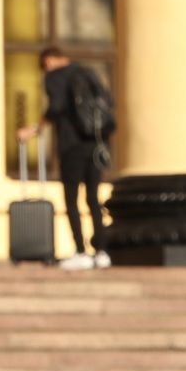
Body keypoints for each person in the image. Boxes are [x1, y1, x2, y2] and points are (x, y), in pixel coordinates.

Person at [21, 43, 113, 267]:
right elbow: (108, 102)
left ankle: (80, 251)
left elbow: (56, 107)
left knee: (71, 199)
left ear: (49, 61)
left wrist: (36, 128)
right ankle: (101, 252)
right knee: (93, 198)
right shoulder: (87, 72)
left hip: (71, 145)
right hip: (95, 143)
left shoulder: (54, 77)